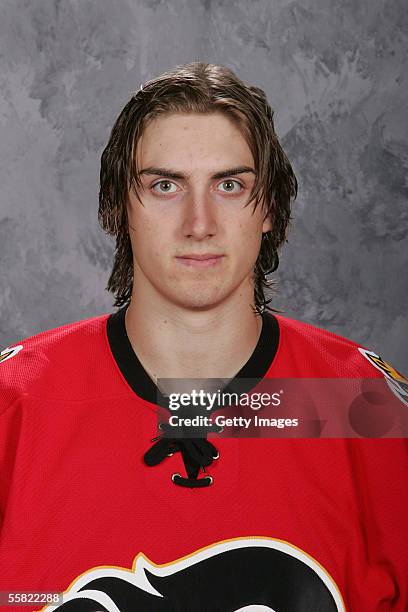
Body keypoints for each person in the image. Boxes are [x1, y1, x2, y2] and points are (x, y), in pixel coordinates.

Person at [0, 62, 407, 611]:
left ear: (268, 208)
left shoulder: (363, 403)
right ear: (120, 206)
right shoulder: (16, 402)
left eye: (230, 185)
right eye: (165, 186)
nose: (199, 223)